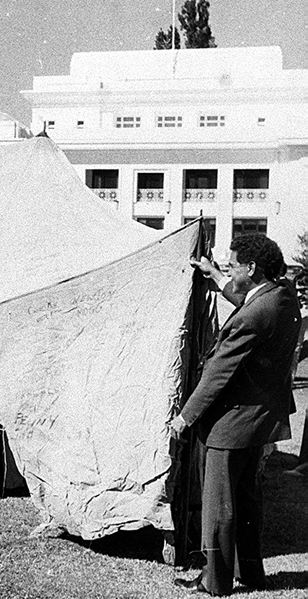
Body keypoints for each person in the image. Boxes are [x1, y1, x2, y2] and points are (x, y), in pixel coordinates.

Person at [170, 234, 302, 596]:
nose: (230, 269)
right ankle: (251, 574)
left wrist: (185, 417)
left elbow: (218, 372)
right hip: (259, 420)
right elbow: (246, 301)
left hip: (231, 424)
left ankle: (215, 582)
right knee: (246, 503)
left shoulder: (253, 317)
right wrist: (214, 275)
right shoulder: (283, 297)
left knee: (219, 507)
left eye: (232, 265)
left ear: (251, 268)